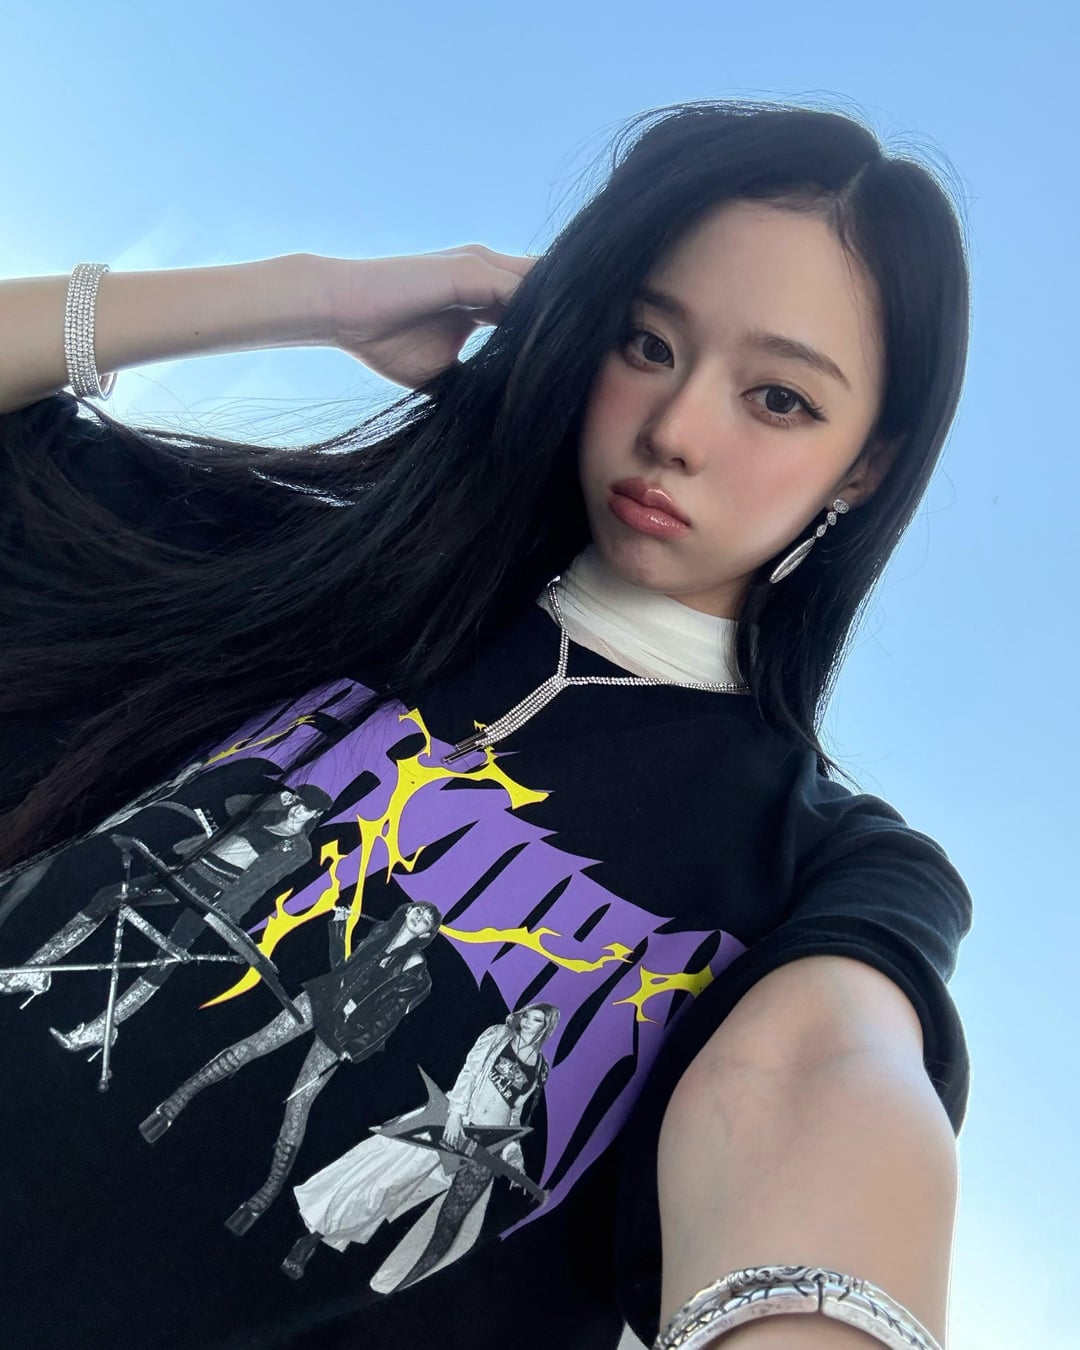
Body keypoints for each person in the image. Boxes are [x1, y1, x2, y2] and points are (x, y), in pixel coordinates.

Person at [0, 100, 973, 1350]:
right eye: (647, 342)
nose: (674, 431)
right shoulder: (309, 579)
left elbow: (814, 1078)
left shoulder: (817, 861)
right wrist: (320, 296)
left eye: (778, 398)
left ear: (866, 466)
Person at [282, 1002, 559, 1288]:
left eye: (536, 1019)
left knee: (408, 1198)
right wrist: (455, 1115)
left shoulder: (540, 1067)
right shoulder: (499, 1035)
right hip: (448, 1123)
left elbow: (514, 1112)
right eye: (527, 1016)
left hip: (483, 1143)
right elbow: (470, 1071)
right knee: (383, 1181)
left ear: (546, 1027)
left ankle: (399, 1281)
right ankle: (313, 1237)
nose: (527, 1022)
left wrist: (513, 1154)